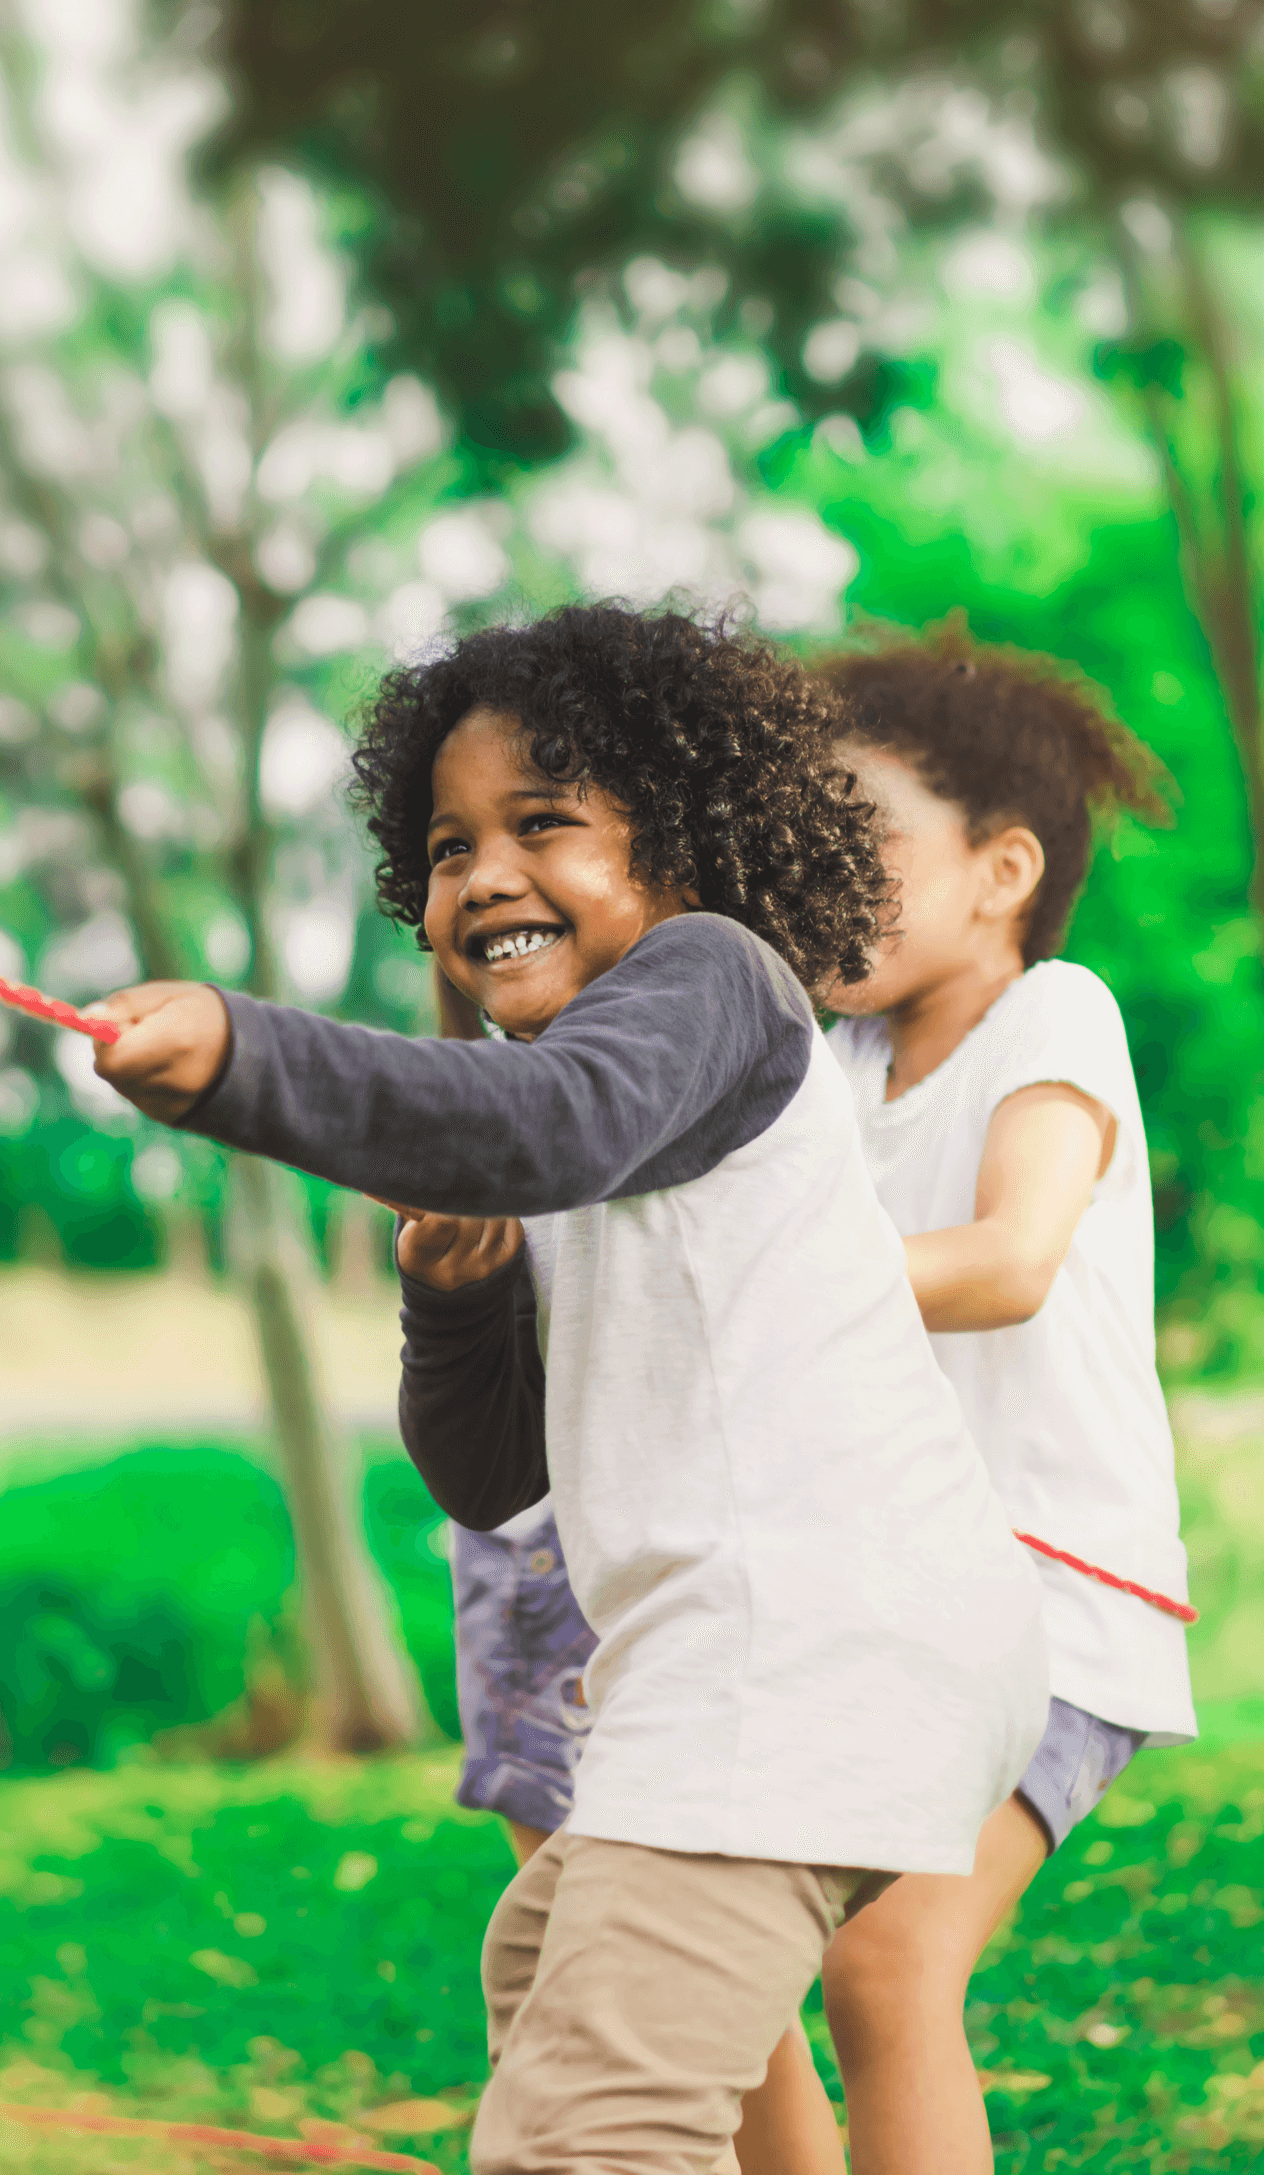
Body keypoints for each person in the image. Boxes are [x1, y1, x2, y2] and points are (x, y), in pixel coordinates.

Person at [92, 603, 1047, 2175]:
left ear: (684, 842)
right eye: (448, 847)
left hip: (814, 1644)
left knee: (584, 2132)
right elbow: (493, 1474)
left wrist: (246, 1058)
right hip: (777, 1656)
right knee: (542, 1970)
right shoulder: (599, 1127)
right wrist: (457, 1292)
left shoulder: (716, 980)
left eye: (544, 824)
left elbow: (544, 1119)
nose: (484, 875)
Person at [791, 629, 1195, 2175]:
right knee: (727, 1954)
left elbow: (1013, 1256)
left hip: (1055, 1595)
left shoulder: (1054, 1015)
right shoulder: (834, 1067)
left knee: (887, 1964)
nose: (818, 879)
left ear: (1003, 869)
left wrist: (771, 1292)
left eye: (861, 840)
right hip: (890, 1601)